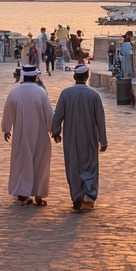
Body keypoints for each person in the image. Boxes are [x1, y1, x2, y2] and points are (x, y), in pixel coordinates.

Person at [52, 62, 108, 211]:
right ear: (87, 76)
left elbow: (58, 116)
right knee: (90, 166)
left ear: (75, 77)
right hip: (90, 138)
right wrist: (103, 140)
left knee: (74, 167)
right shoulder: (94, 96)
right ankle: (89, 195)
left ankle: (77, 196)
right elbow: (100, 120)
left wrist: (55, 132)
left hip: (71, 139)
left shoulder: (66, 94)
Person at [1, 65, 52, 206]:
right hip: (40, 134)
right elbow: (48, 113)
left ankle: (23, 193)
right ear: (36, 77)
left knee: (23, 162)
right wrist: (53, 130)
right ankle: (39, 194)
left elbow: (8, 111)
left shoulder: (15, 92)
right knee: (40, 163)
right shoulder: (41, 92)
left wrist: (6, 129)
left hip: (21, 134)